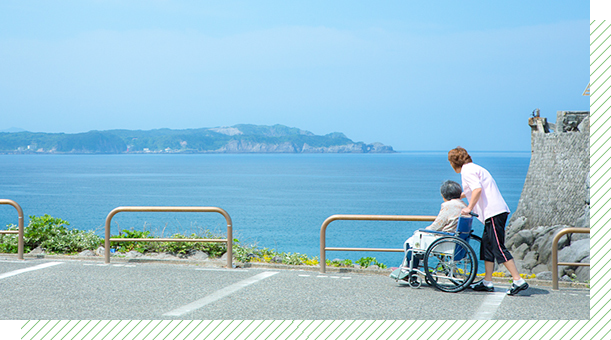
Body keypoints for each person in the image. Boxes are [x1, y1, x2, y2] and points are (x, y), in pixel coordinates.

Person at [448, 146, 529, 295]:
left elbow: (477, 190)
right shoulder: (474, 168)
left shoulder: (467, 171)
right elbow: (476, 189)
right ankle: (487, 281)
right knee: (487, 246)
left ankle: (518, 280)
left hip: (494, 213)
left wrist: (469, 208)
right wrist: (461, 197)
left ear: (454, 162)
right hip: (494, 213)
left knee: (498, 247)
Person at [401, 180, 467, 268]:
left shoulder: (448, 206)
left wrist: (423, 230)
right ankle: (411, 267)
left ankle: (410, 269)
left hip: (446, 240)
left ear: (443, 195)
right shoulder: (464, 205)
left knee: (411, 241)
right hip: (458, 240)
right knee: (418, 239)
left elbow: (436, 226)